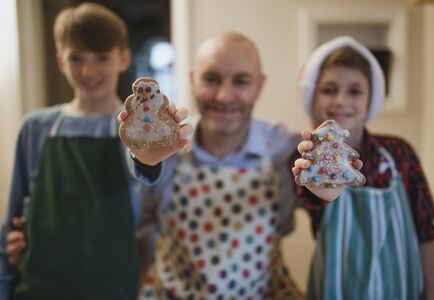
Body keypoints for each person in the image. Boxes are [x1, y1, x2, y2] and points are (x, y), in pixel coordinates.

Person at [0, 3, 192, 300]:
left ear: (123, 58)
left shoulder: (137, 133)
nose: (89, 71)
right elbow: (12, 220)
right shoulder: (34, 128)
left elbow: (146, 176)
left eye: (101, 57)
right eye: (76, 58)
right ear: (61, 62)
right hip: (38, 289)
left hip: (114, 289)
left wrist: (146, 161)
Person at [119, 31, 312, 299]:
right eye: (211, 79)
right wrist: (144, 165)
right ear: (192, 80)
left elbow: (327, 216)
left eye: (241, 81)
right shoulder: (164, 147)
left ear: (259, 85)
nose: (224, 96)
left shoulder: (287, 147)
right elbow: (129, 223)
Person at [292, 36, 434, 300]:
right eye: (328, 89)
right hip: (336, 289)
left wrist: (432, 293)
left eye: (355, 90)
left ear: (371, 98)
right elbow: (312, 203)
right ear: (311, 97)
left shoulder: (400, 152)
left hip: (402, 288)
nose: (340, 100)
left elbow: (425, 228)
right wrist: (323, 191)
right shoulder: (305, 158)